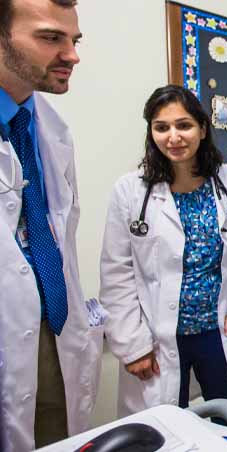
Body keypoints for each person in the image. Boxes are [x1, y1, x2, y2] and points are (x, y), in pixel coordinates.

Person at [99, 85, 227, 416]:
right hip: (158, 337)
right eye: (162, 127)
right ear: (151, 132)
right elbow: (116, 272)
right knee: (166, 428)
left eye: (183, 125)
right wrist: (132, 344)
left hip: (222, 331)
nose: (173, 136)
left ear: (202, 129)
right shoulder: (130, 190)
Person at [0, 0, 103, 449]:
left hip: (52, 332)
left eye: (73, 40)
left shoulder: (50, 129)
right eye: (50, 38)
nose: (72, 55)